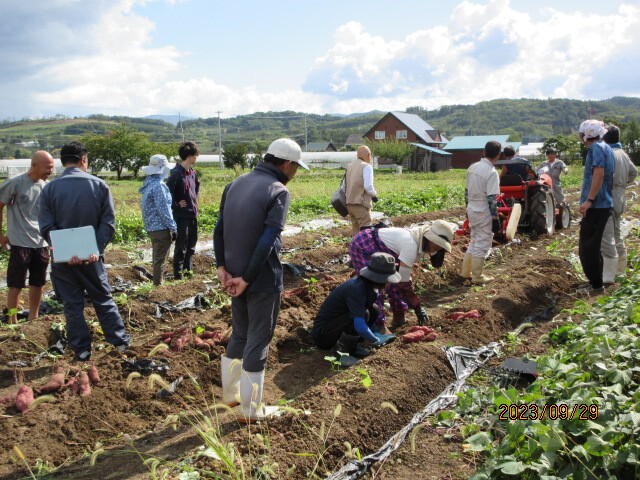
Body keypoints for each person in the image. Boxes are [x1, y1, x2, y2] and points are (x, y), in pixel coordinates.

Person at [213, 138, 309, 423]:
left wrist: (223, 267)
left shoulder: (234, 185)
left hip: (233, 274)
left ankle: (231, 398)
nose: (294, 174)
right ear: (287, 164)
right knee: (259, 339)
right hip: (261, 277)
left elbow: (220, 229)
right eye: (296, 168)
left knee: (240, 334)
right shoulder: (278, 190)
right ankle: (251, 410)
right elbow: (268, 239)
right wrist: (248, 278)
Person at [39, 141, 130, 360]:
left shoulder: (50, 188)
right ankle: (119, 344)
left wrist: (65, 251)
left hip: (63, 261)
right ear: (83, 159)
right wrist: (94, 249)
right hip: (92, 258)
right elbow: (108, 223)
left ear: (63, 162)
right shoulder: (98, 185)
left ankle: (81, 350)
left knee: (72, 304)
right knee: (102, 298)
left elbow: (46, 227)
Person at [349, 220, 453, 330]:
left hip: (386, 252)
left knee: (394, 281)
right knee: (374, 286)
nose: (439, 247)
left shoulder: (421, 241)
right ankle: (378, 326)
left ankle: (399, 316)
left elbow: (400, 279)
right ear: (429, 237)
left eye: (441, 246)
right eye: (437, 243)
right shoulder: (410, 244)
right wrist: (417, 307)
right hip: (364, 245)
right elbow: (404, 283)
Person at [312, 252, 398, 367]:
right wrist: (375, 340)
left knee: (374, 309)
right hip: (324, 335)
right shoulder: (356, 289)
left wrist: (376, 333)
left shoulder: (369, 287)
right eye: (388, 280)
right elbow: (359, 325)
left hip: (337, 328)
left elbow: (368, 310)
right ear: (380, 279)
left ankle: (351, 347)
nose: (388, 283)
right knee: (363, 314)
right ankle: (339, 353)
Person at [0, 151, 55, 323]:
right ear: (34, 165)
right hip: (19, 242)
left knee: (38, 283)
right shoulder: (15, 183)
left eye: (52, 167)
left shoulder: (47, 186)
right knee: (16, 284)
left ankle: (33, 318)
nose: (51, 171)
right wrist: (1, 236)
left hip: (41, 242)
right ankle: (12, 320)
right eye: (48, 167)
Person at [576, 120, 614, 295]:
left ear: (587, 135)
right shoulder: (605, 146)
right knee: (592, 245)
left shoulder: (596, 148)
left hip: (597, 205)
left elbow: (598, 173)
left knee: (588, 246)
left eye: (581, 134)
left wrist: (589, 200)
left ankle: (597, 286)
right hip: (602, 204)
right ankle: (594, 281)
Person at [600, 125, 638, 284]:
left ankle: (608, 276)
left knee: (606, 236)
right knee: (616, 232)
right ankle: (620, 270)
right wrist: (623, 183)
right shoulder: (622, 153)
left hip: (609, 194)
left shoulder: (608, 153)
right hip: (620, 194)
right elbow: (634, 172)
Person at [462, 140, 501, 284]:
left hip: (471, 208)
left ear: (484, 152)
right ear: (498, 155)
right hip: (483, 209)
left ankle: (466, 272)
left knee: (474, 240)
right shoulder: (492, 172)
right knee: (483, 243)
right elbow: (491, 198)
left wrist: (467, 209)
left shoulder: (472, 167)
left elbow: (466, 192)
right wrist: (495, 218)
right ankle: (477, 276)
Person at [139, 154, 178, 286]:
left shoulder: (149, 184)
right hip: (161, 228)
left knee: (157, 257)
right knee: (161, 259)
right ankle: (158, 287)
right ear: (162, 169)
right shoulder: (159, 186)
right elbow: (164, 209)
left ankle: (158, 284)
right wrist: (173, 228)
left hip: (152, 227)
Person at [167, 141, 200, 280]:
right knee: (181, 244)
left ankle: (188, 271)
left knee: (191, 243)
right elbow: (167, 193)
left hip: (192, 213)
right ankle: (178, 274)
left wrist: (193, 201)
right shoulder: (176, 173)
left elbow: (196, 188)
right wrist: (176, 204)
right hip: (181, 215)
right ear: (189, 156)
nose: (196, 157)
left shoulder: (192, 173)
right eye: (195, 155)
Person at [345, 145, 378, 234]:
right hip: (360, 204)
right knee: (366, 232)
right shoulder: (366, 166)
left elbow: (345, 185)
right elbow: (368, 186)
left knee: (356, 231)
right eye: (370, 155)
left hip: (350, 204)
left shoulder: (350, 166)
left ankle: (355, 248)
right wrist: (374, 195)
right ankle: (365, 248)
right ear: (368, 155)